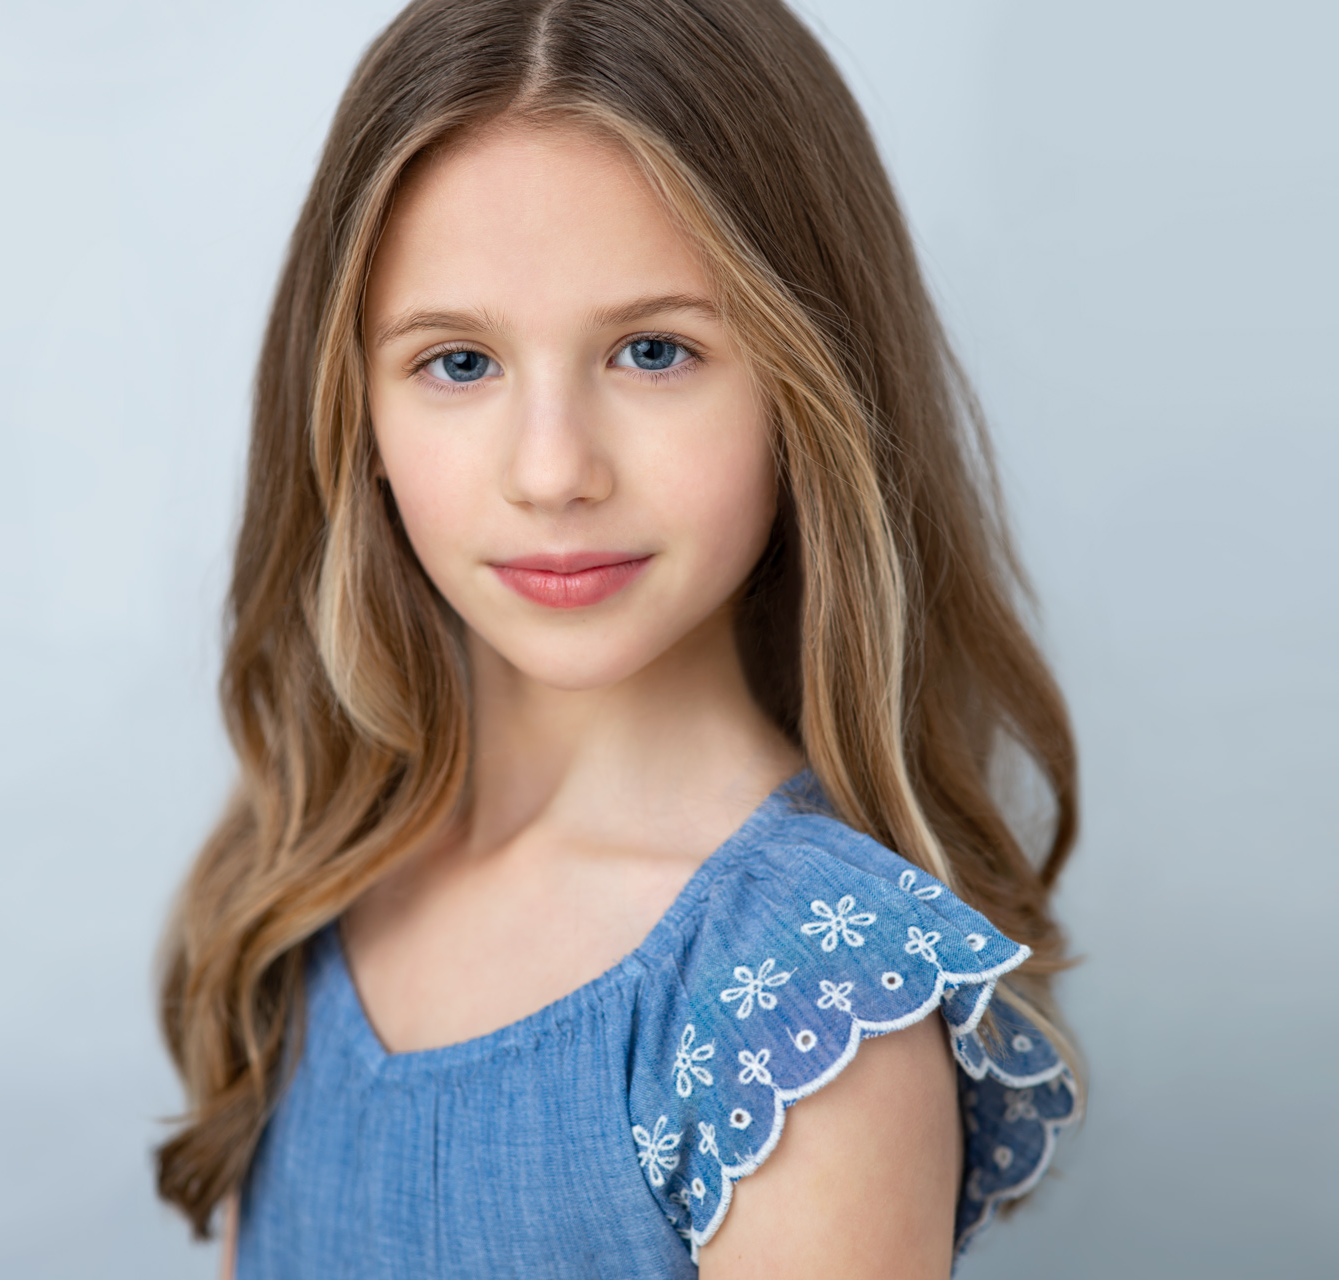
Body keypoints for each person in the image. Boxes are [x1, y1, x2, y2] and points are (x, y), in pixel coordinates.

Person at [155, 1, 1082, 1275]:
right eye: (459, 362)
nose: (552, 472)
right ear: (350, 410)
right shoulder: (317, 873)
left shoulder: (802, 1005)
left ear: (807, 385)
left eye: (654, 351)